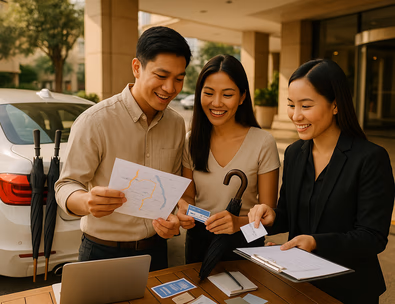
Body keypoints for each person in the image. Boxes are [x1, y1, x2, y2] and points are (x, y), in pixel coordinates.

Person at [248, 59, 395, 304]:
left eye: (305, 105)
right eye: (291, 105)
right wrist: (271, 216)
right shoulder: (295, 153)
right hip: (300, 286)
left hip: (350, 291)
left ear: (335, 105)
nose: (296, 115)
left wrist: (316, 242)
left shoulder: (370, 158)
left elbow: (372, 237)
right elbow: (288, 212)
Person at [55, 26, 192, 271]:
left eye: (179, 79)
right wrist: (87, 201)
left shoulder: (176, 124)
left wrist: (173, 216)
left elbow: (170, 188)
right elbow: (65, 186)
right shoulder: (95, 121)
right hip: (102, 252)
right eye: (161, 76)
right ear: (137, 68)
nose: (171, 88)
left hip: (157, 252)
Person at [177, 54, 280, 264]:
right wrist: (184, 212)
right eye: (208, 93)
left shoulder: (263, 142)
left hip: (245, 244)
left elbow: (268, 220)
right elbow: (188, 198)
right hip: (198, 242)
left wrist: (239, 224)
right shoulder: (191, 141)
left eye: (227, 94)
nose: (216, 103)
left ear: (242, 97)